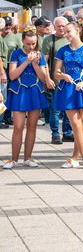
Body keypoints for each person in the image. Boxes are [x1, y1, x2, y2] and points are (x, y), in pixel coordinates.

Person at [54, 22, 83, 169]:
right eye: (64, 32)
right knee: (75, 124)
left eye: (68, 32)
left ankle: (74, 158)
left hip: (82, 89)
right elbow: (56, 73)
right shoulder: (62, 50)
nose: (65, 34)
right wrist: (63, 76)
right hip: (67, 89)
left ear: (77, 31)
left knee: (80, 125)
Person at [3, 29, 48, 169]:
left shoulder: (40, 56)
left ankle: (28, 158)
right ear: (23, 41)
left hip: (35, 91)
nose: (31, 46)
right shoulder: (16, 54)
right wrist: (27, 61)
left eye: (34, 43)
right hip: (19, 91)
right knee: (18, 126)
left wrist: (34, 63)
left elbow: (43, 78)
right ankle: (13, 159)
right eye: (28, 43)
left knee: (32, 126)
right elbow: (12, 75)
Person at [42, 17, 75, 142]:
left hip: (70, 80)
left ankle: (67, 132)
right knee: (55, 110)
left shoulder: (71, 39)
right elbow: (44, 62)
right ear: (54, 26)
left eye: (63, 26)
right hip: (55, 81)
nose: (61, 28)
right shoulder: (49, 40)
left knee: (68, 109)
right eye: (59, 26)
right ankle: (55, 134)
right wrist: (47, 78)